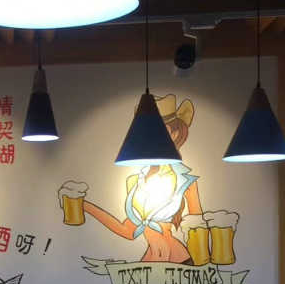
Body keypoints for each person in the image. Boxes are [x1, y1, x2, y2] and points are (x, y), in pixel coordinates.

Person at [65, 95, 205, 264]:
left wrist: (206, 263)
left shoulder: (186, 181)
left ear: (174, 134)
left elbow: (198, 227)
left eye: (159, 132)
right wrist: (84, 206)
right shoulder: (134, 182)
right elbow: (129, 231)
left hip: (180, 260)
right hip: (148, 262)